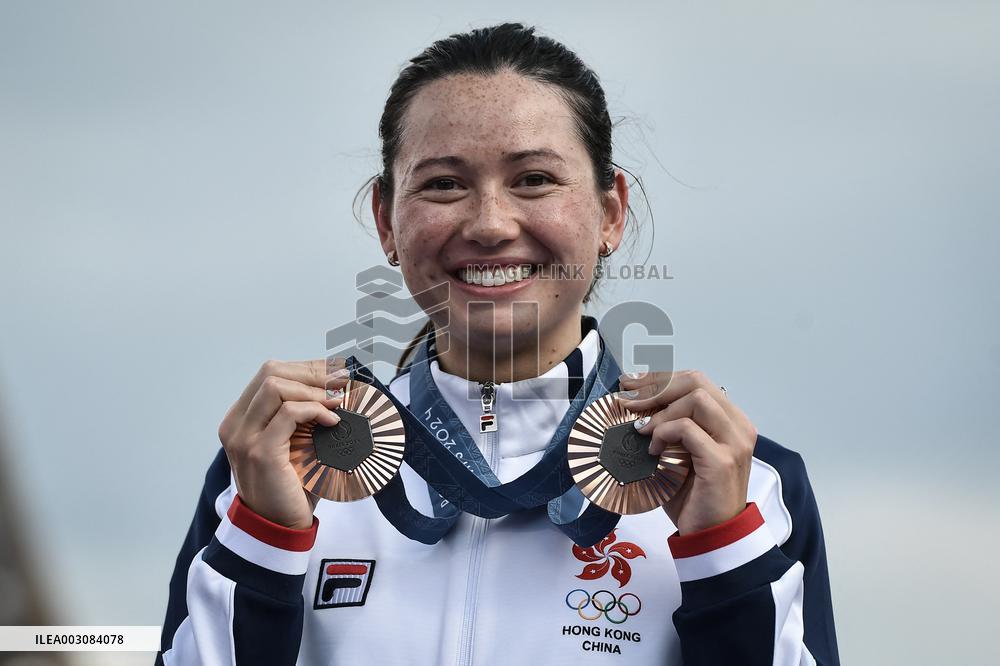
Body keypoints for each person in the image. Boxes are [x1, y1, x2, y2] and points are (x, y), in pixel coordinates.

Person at [156, 22, 839, 665]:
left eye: (534, 179)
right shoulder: (275, 463)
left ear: (609, 213)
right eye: (444, 184)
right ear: (386, 223)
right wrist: (266, 542)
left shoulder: (743, 481)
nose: (489, 224)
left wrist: (720, 550)